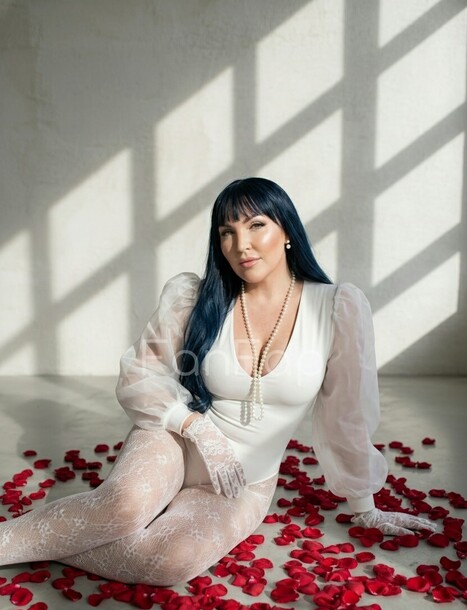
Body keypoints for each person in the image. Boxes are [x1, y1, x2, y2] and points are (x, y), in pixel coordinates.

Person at [0, 177, 436, 585]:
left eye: (256, 225)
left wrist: (364, 506)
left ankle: (54, 537)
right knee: (122, 507)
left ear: (287, 231)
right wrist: (195, 427)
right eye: (227, 232)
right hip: (174, 441)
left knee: (172, 561)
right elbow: (141, 371)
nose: (240, 244)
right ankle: (35, 537)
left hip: (244, 481)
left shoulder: (337, 308)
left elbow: (347, 415)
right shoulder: (197, 297)